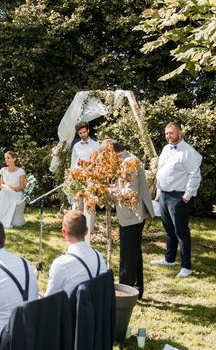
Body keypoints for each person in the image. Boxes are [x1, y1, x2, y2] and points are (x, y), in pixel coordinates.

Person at [101, 140, 154, 299]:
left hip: (133, 215)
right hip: (133, 214)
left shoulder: (129, 163)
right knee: (134, 254)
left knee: (127, 256)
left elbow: (129, 193)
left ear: (112, 152)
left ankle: (124, 293)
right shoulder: (127, 160)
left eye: (106, 156)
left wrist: (107, 191)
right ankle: (137, 291)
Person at [151, 121, 202, 278]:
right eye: (166, 133)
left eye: (171, 133)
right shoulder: (166, 149)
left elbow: (195, 176)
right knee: (168, 230)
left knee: (181, 232)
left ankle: (186, 267)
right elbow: (161, 171)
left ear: (180, 132)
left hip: (178, 197)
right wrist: (158, 193)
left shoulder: (188, 152)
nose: (169, 136)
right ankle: (169, 259)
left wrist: (187, 197)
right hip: (164, 195)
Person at [45, 210, 105, 298]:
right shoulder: (99, 257)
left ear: (64, 232)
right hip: (98, 310)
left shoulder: (61, 264)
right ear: (86, 231)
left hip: (71, 311)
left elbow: (49, 300)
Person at [71, 121, 100, 234]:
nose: (83, 135)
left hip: (91, 179)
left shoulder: (96, 145)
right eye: (80, 133)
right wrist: (72, 177)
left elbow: (98, 163)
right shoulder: (76, 146)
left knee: (90, 206)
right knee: (77, 205)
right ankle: (76, 232)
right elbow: (73, 163)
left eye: (84, 132)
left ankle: (89, 232)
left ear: (88, 131)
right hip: (78, 179)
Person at [0, 151, 26, 228]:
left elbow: (22, 186)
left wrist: (14, 189)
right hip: (6, 192)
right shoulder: (3, 170)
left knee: (3, 193)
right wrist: (9, 188)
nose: (6, 160)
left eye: (8, 158)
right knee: (4, 192)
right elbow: (1, 184)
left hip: (16, 193)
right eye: (5, 158)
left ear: (14, 159)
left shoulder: (20, 171)